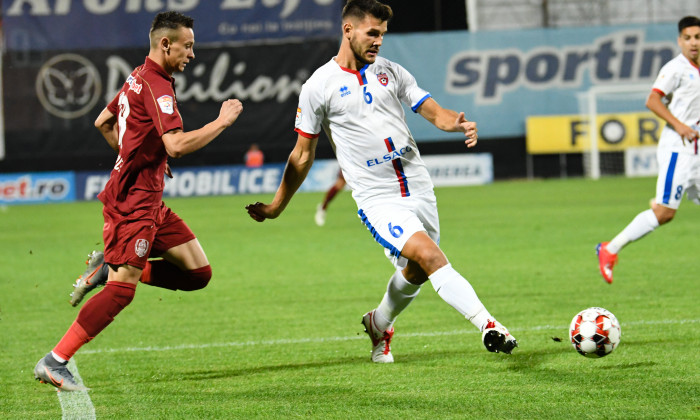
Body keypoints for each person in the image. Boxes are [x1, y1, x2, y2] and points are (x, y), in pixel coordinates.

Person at [246, 0, 517, 363]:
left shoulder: (390, 71)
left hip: (419, 186)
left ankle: (378, 323)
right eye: (372, 33)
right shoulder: (318, 87)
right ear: (348, 30)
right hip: (378, 197)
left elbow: (432, 110)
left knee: (419, 270)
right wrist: (277, 206)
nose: (378, 41)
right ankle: (489, 325)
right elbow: (301, 155)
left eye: (382, 35)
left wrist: (457, 123)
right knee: (431, 256)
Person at [34, 11, 243, 391]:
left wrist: (139, 159)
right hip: (134, 203)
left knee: (198, 274)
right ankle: (56, 359)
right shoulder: (158, 85)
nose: (191, 54)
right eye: (188, 45)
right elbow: (176, 145)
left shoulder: (137, 75)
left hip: (148, 199)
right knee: (121, 292)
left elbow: (103, 121)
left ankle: (106, 267)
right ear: (166, 44)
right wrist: (222, 121)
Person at [597, 16, 700, 284]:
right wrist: (679, 126)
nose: (693, 43)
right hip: (679, 148)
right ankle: (609, 250)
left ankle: (661, 201)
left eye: (698, 37)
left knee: (665, 209)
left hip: (697, 151)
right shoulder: (676, 69)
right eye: (688, 38)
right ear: (680, 40)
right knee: (665, 213)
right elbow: (652, 100)